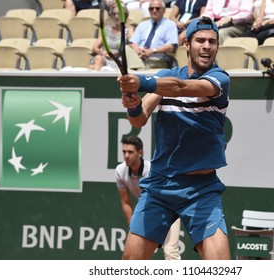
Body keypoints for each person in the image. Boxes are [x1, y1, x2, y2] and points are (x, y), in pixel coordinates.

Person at [118, 16, 231, 260]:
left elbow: (181, 87)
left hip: (201, 190)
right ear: (187, 45)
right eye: (200, 40)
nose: (207, 46)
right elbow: (138, 120)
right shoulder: (166, 76)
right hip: (160, 186)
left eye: (212, 41)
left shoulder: (220, 79)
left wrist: (142, 82)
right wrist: (132, 105)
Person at [115, 136, 181, 260]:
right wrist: (134, 225)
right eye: (124, 152)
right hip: (146, 213)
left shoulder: (152, 170)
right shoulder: (120, 171)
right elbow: (125, 202)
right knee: (131, 256)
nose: (126, 155)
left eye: (130, 152)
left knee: (170, 252)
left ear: (140, 152)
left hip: (170, 209)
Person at [129, 0, 179, 69]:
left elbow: (171, 47)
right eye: (151, 8)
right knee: (126, 48)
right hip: (139, 57)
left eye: (157, 8)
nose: (154, 11)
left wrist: (152, 51)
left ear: (164, 10)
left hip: (157, 58)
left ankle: (138, 69)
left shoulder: (170, 25)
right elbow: (133, 42)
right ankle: (138, 67)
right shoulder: (142, 24)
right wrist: (139, 52)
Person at [89, 4, 134, 71]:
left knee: (94, 66)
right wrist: (104, 53)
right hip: (104, 58)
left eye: (119, 14)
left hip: (119, 61)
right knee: (97, 60)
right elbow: (95, 47)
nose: (116, 16)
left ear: (124, 16)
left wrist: (117, 52)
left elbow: (133, 47)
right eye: (114, 14)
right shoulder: (106, 30)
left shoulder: (128, 31)